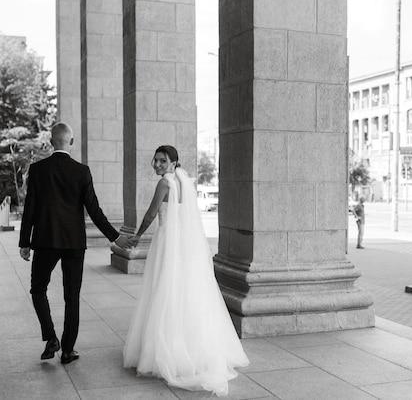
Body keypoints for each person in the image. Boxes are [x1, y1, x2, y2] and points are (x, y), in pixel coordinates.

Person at [123, 145, 249, 396]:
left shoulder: (165, 184)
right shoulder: (185, 182)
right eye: (155, 160)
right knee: (186, 294)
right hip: (186, 246)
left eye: (162, 161)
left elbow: (150, 215)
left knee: (165, 292)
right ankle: (192, 349)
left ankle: (165, 349)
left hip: (168, 243)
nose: (157, 164)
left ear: (173, 163)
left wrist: (136, 237)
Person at [19, 122, 131, 365]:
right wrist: (115, 236)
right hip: (73, 243)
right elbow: (94, 210)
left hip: (46, 241)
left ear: (51, 142)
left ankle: (51, 338)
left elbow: (30, 209)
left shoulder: (38, 169)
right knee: (72, 296)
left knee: (38, 290)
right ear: (71, 142)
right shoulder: (82, 171)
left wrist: (24, 242)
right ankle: (68, 350)